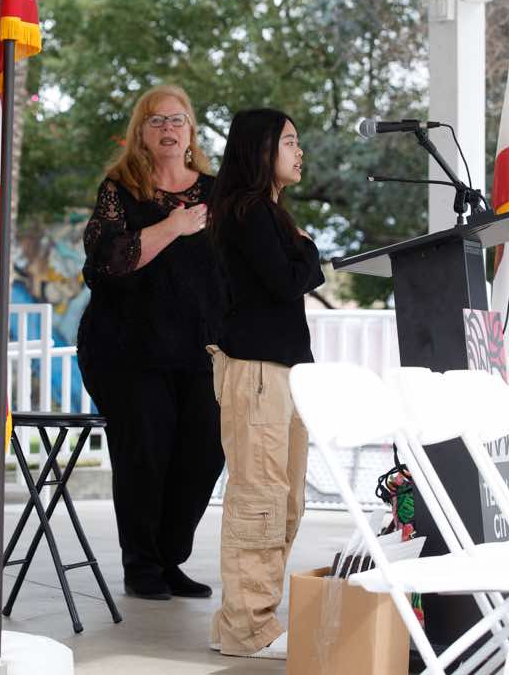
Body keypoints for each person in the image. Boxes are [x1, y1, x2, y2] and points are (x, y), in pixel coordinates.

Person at [77, 84, 225, 601]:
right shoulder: (121, 189)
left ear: (191, 131)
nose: (168, 128)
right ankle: (141, 565)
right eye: (156, 120)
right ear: (140, 132)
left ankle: (169, 557)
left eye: (177, 119)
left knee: (203, 455)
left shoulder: (217, 192)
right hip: (127, 349)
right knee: (145, 455)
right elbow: (107, 265)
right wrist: (173, 226)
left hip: (199, 351)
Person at [206, 108, 324, 659]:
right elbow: (286, 282)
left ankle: (241, 620)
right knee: (261, 500)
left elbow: (287, 279)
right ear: (261, 150)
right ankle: (248, 628)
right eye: (290, 142)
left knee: (287, 500)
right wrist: (309, 249)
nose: (300, 153)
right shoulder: (248, 211)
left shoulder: (268, 214)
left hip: (282, 372)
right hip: (256, 373)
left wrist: (301, 248)